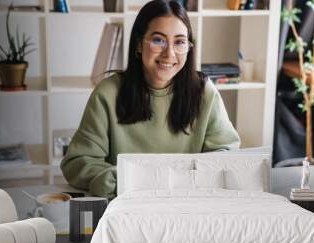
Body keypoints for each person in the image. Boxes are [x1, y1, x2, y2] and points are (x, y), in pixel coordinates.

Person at [61, 0, 240, 199]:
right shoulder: (108, 93)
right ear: (139, 44)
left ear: (188, 48)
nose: (169, 53)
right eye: (158, 40)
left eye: (179, 42)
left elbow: (226, 155)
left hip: (188, 205)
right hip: (125, 206)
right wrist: (120, 178)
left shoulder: (205, 92)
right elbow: (77, 162)